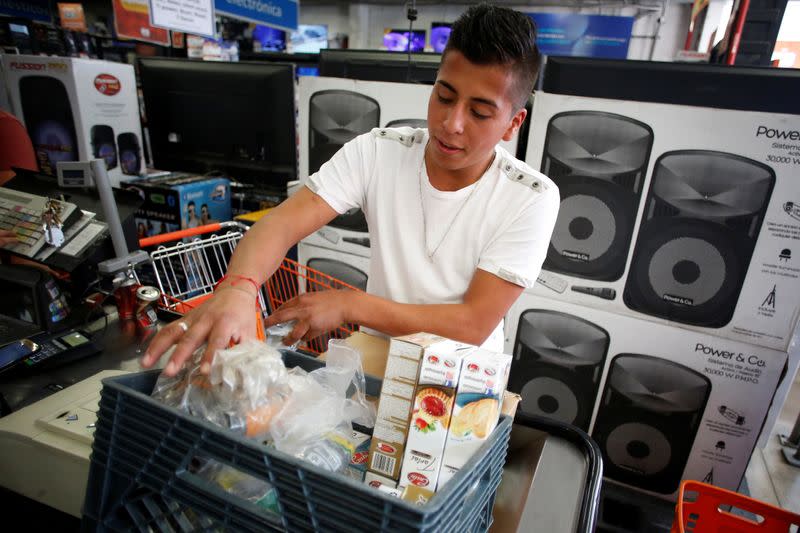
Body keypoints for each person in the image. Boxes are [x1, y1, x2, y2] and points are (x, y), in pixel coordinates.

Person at [142, 3, 559, 377]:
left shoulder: (530, 197)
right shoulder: (380, 151)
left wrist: (348, 304)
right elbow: (283, 224)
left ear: (512, 124)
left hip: (463, 378)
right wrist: (237, 288)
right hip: (378, 357)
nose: (452, 123)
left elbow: (472, 323)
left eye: (480, 112)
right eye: (444, 96)